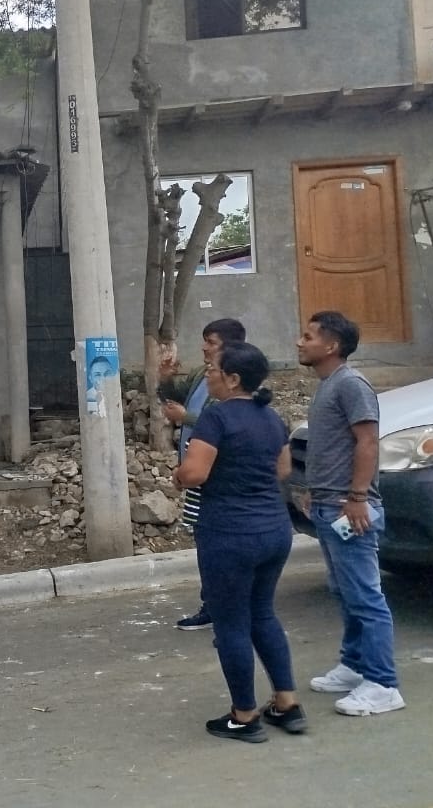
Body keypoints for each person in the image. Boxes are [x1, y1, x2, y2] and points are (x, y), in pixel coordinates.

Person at [173, 341, 306, 742]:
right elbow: (282, 470)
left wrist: (178, 475)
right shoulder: (271, 418)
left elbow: (195, 474)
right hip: (274, 531)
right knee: (262, 614)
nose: (208, 375)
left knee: (230, 622)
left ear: (232, 379)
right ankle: (286, 704)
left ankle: (244, 716)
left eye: (213, 370)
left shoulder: (216, 418)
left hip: (229, 534)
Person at [296, 310, 405, 716]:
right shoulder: (329, 386)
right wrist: (315, 492)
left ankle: (383, 684)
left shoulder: (351, 384)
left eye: (309, 336)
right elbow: (332, 447)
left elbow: (368, 442)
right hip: (329, 506)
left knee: (365, 597)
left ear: (332, 346)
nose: (300, 342)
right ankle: (355, 664)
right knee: (344, 592)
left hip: (351, 509)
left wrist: (357, 497)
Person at [158, 317, 246, 631]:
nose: (204, 348)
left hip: (217, 479)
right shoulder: (202, 374)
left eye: (211, 342)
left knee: (218, 547)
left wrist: (187, 418)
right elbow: (177, 399)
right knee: (206, 544)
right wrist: (166, 380)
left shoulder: (241, 381)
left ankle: (223, 609)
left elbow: (228, 421)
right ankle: (216, 604)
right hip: (200, 478)